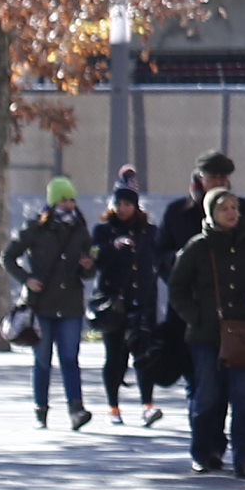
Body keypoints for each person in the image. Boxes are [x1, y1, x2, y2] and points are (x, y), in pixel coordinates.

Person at [171, 184, 245, 478]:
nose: (231, 213)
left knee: (242, 397)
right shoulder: (197, 247)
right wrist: (195, 315)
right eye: (224, 208)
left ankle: (244, 458)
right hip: (205, 336)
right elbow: (177, 286)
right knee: (207, 396)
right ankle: (203, 452)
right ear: (211, 213)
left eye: (234, 208)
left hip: (243, 334)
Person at [5, 177, 97, 430]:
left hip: (70, 305)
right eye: (64, 199)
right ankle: (41, 408)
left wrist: (88, 267)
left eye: (71, 199)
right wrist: (27, 279)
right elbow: (8, 257)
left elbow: (89, 269)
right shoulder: (36, 227)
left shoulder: (80, 229)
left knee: (70, 358)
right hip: (41, 305)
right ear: (53, 201)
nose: (69, 204)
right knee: (43, 359)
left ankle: (76, 409)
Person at [90, 183, 168, 428]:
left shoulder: (150, 232)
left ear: (136, 206)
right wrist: (112, 247)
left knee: (144, 355)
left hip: (143, 302)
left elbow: (163, 264)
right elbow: (94, 260)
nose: (122, 209)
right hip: (113, 303)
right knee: (115, 357)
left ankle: (148, 406)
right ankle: (113, 407)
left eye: (127, 204)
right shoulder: (103, 231)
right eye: (118, 204)